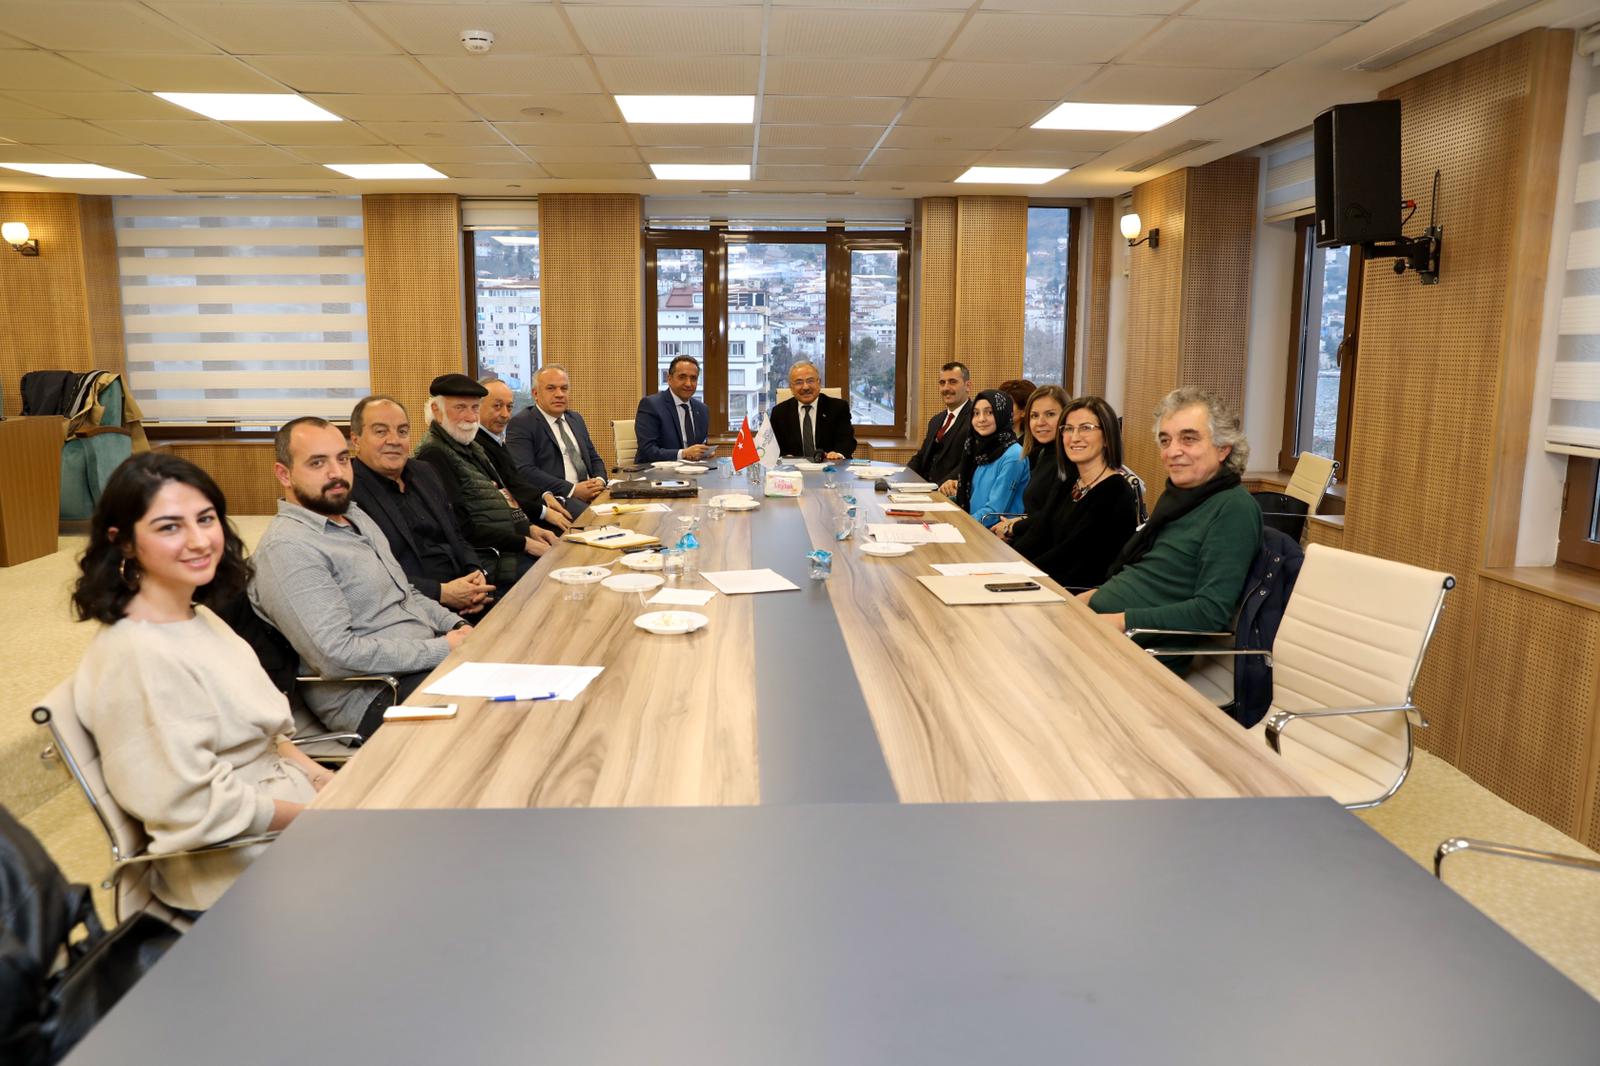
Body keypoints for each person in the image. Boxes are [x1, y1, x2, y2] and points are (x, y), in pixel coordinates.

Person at [70, 452, 332, 912]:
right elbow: (202, 808)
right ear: (124, 542)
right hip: (235, 868)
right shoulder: (138, 656)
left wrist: (322, 778)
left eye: (206, 519)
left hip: (283, 818)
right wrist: (321, 818)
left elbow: (267, 737)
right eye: (169, 527)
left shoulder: (198, 616)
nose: (198, 541)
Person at [251, 417, 472, 738]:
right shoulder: (288, 548)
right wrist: (441, 648)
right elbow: (334, 656)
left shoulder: (354, 516)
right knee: (499, 720)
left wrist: (458, 626)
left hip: (423, 662)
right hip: (378, 694)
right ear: (284, 474)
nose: (336, 473)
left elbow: (405, 593)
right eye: (317, 463)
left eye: (342, 459)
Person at [1079, 386, 1262, 646]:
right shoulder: (1178, 497)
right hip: (1102, 626)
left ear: (1223, 449)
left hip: (1136, 648)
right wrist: (1089, 599)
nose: (1172, 451)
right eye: (1165, 441)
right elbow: (1150, 576)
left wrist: (1121, 621)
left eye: (1188, 439)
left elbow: (1209, 613)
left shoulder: (1233, 509)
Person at [348, 394, 494, 617]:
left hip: (467, 593)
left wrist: (475, 573)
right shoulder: (347, 492)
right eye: (381, 432)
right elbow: (367, 574)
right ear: (356, 440)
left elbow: (457, 535)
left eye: (402, 431)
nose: (394, 440)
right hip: (410, 611)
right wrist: (442, 593)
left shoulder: (425, 472)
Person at [414, 374, 562, 585]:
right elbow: (461, 528)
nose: (470, 417)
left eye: (474, 408)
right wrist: (525, 543)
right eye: (460, 408)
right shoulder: (434, 454)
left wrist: (530, 528)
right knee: (560, 577)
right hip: (490, 561)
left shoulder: (471, 446)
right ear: (437, 411)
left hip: (509, 548)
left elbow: (503, 496)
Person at [1010, 396, 1140, 591]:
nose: (1075, 437)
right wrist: (1007, 563)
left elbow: (1072, 558)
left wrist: (1021, 574)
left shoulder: (1116, 493)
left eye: (1086, 428)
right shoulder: (1068, 481)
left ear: (1107, 436)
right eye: (1068, 429)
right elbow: (1039, 534)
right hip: (1045, 583)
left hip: (1076, 594)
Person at [505, 364, 609, 517]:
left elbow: (594, 458)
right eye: (551, 388)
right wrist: (573, 490)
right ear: (535, 394)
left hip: (593, 494)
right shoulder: (522, 423)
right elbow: (525, 470)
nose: (559, 394)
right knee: (602, 521)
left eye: (564, 388)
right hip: (560, 499)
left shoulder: (575, 419)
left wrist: (599, 480)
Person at [476, 375, 572, 532]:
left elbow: (516, 481)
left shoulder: (495, 439)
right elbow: (502, 494)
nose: (505, 414)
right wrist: (544, 512)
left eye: (509, 407)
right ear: (476, 407)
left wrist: (544, 495)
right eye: (497, 406)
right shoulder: (475, 445)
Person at [940, 389, 1028, 528]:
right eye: (976, 413)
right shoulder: (981, 451)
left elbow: (994, 512)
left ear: (1002, 415)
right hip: (976, 526)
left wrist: (958, 525)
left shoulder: (1014, 455)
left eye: (989, 412)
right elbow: (975, 498)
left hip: (994, 534)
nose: (981, 419)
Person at [995, 384, 1067, 542]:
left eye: (1050, 414)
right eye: (1034, 415)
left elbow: (1051, 520)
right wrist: (1015, 524)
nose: (1040, 422)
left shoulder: (1068, 461)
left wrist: (1013, 528)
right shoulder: (1041, 453)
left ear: (1067, 416)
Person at [769, 360, 856, 460]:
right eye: (799, 382)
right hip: (793, 468)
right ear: (791, 388)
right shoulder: (779, 412)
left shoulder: (838, 407)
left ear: (819, 383)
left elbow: (847, 441)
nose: (805, 387)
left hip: (830, 466)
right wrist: (784, 457)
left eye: (810, 381)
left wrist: (838, 454)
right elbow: (773, 447)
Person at [635, 355, 713, 464]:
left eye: (693, 378)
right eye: (682, 377)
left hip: (692, 471)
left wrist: (704, 453)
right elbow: (647, 451)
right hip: (657, 472)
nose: (688, 384)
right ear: (669, 378)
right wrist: (683, 454)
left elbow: (699, 445)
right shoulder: (651, 405)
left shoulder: (702, 409)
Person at [908, 361, 972, 485]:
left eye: (953, 382)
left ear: (968, 386)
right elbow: (921, 457)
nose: (946, 388)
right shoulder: (935, 420)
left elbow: (967, 464)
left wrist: (935, 489)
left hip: (947, 491)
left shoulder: (975, 420)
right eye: (942, 383)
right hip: (923, 488)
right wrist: (902, 477)